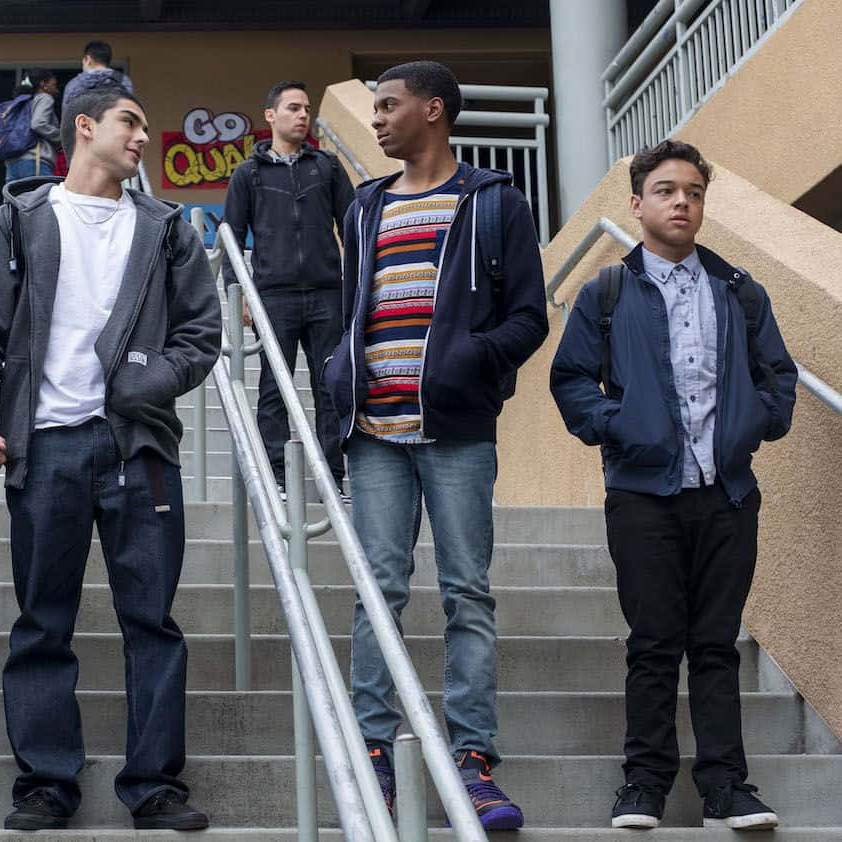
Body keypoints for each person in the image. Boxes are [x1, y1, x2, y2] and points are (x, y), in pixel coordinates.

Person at [0, 86, 221, 832]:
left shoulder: (168, 231)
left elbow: (201, 333)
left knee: (152, 621)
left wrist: (146, 380)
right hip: (46, 447)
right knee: (42, 621)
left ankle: (155, 785)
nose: (142, 136)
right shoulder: (16, 221)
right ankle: (46, 782)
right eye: (131, 121)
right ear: (86, 127)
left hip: (140, 448)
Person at [323, 60, 548, 830]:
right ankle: (373, 750)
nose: (377, 119)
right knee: (376, 593)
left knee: (466, 592)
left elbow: (528, 318)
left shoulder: (492, 202)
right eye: (375, 107)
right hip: (374, 435)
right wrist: (336, 374)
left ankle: (473, 761)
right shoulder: (363, 207)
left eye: (388, 106)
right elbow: (353, 310)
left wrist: (468, 361)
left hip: (455, 431)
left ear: (434, 110)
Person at [549, 140, 796, 831]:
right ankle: (645, 785)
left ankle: (727, 787)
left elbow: (779, 373)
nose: (681, 202)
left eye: (692, 191)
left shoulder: (740, 291)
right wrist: (617, 425)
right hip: (641, 493)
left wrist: (758, 423)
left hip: (728, 494)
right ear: (636, 203)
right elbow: (570, 379)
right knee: (655, 640)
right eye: (665, 190)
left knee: (716, 643)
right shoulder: (607, 291)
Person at [221, 80, 353, 498]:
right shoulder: (249, 174)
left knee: (331, 384)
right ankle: (277, 477)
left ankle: (333, 477)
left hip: (327, 293)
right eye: (293, 107)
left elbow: (353, 228)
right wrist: (237, 291)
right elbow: (231, 236)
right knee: (273, 388)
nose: (303, 115)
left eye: (307, 108)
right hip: (273, 296)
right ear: (271, 115)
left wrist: (361, 284)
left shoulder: (327, 167)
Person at [5, 70, 60, 182]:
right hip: (35, 161)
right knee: (40, 198)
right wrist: (61, 138)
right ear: (43, 84)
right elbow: (38, 124)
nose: (56, 89)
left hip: (12, 163)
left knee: (16, 199)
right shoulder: (44, 98)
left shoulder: (21, 101)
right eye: (53, 84)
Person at [61, 40, 134, 108]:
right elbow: (130, 108)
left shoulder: (75, 84)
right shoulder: (123, 80)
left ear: (88, 59)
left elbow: (67, 115)